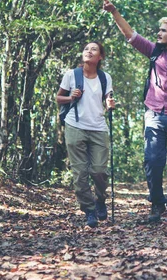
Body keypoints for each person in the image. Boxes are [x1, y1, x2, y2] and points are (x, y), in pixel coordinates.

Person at [99, 0, 167, 225]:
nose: (159, 33)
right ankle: (157, 202)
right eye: (159, 30)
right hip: (154, 114)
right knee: (152, 160)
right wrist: (114, 12)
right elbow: (131, 36)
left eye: (163, 30)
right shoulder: (154, 51)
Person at [56, 41, 115, 228]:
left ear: (100, 57)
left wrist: (110, 104)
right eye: (86, 49)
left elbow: (108, 99)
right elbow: (58, 98)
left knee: (98, 170)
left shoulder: (105, 78)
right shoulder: (71, 75)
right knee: (80, 173)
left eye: (94, 49)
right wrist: (71, 97)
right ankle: (89, 210)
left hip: (98, 127)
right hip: (75, 125)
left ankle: (100, 200)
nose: (89, 51)